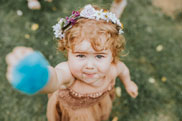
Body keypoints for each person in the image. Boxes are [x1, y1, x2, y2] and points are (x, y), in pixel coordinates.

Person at [6, 4, 138, 121]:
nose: (90, 66)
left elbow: (124, 70)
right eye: (81, 55)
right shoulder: (69, 74)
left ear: (113, 55)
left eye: (99, 56)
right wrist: (39, 75)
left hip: (99, 104)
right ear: (67, 50)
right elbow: (55, 79)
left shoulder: (113, 68)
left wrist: (128, 83)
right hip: (72, 114)